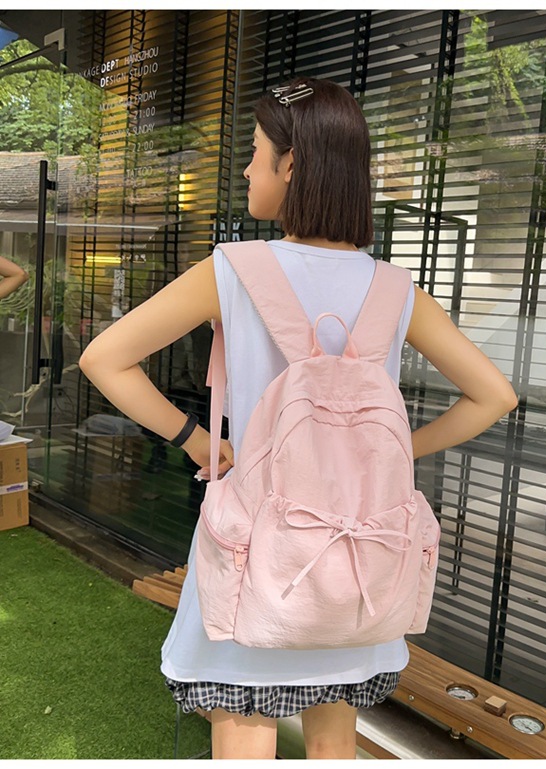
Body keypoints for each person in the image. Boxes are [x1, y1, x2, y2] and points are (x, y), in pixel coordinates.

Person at [79, 77, 518, 760]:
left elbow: (105, 358)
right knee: (333, 736)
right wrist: (398, 451)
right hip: (357, 567)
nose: (247, 170)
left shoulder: (233, 270)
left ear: (293, 164)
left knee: (244, 725)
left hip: (259, 554)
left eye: (256, 153)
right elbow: (494, 396)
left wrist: (199, 440)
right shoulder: (396, 288)